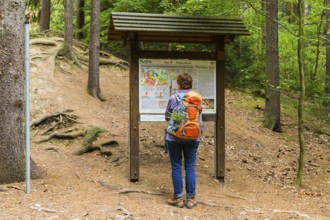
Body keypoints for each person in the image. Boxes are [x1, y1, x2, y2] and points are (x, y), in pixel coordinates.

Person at [165, 72, 203, 209]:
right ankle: (191, 199)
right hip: (193, 137)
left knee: (176, 166)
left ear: (179, 84)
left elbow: (167, 116)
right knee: (190, 166)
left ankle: (178, 198)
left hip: (174, 137)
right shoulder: (196, 98)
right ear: (191, 84)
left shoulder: (173, 98)